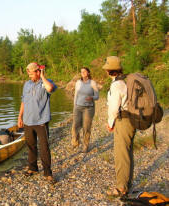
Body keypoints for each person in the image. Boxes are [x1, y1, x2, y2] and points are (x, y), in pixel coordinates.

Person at [18, 62, 57, 183]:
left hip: (41, 121)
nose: (29, 75)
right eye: (28, 73)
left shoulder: (46, 83)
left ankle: (47, 173)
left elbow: (50, 88)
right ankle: (33, 168)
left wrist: (43, 76)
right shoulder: (27, 84)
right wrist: (20, 117)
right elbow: (23, 101)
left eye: (31, 73)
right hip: (28, 121)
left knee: (44, 147)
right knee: (31, 146)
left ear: (38, 72)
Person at [103, 56, 136, 197]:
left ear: (109, 71)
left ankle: (121, 188)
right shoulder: (126, 81)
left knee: (121, 154)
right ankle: (127, 184)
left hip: (123, 121)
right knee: (127, 152)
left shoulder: (117, 85)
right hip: (132, 120)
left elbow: (114, 108)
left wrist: (110, 123)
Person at [71, 67, 99, 153]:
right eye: (81, 72)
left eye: (84, 71)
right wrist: (74, 106)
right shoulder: (78, 83)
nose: (82, 73)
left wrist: (92, 98)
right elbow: (76, 94)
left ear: (88, 73)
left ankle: (85, 146)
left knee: (86, 127)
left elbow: (97, 96)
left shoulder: (93, 83)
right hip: (78, 107)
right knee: (75, 126)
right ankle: (75, 142)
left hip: (88, 108)